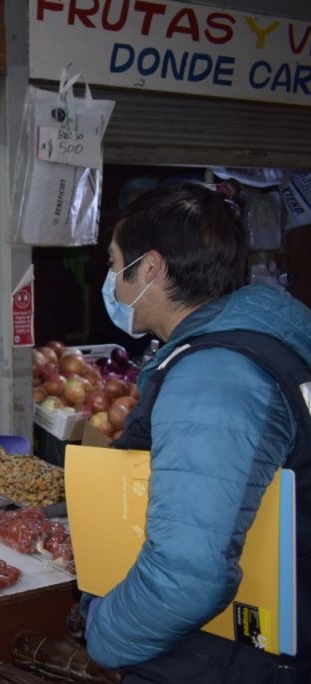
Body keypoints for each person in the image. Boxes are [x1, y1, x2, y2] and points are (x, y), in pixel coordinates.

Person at [84, 181, 310, 682]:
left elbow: (188, 577)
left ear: (150, 269)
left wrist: (104, 632)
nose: (110, 280)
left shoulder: (215, 376)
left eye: (114, 263)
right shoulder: (256, 342)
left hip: (230, 660)